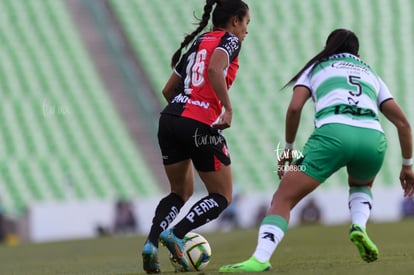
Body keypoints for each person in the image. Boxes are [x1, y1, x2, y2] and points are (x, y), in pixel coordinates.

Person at [219, 28, 414, 272]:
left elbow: (294, 108)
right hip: (373, 138)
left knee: (283, 197)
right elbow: (403, 123)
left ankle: (260, 258)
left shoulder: (315, 67)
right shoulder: (370, 72)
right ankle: (359, 226)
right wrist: (407, 165)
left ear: (328, 46)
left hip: (333, 134)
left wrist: (289, 149)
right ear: (357, 52)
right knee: (361, 185)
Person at [141, 0, 250, 273]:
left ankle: (151, 244)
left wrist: (183, 112)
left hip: (170, 119)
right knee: (222, 195)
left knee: (180, 192)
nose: (247, 31)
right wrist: (227, 107)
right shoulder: (229, 40)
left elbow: (168, 90)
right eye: (247, 23)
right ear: (235, 20)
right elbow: (215, 69)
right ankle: (176, 233)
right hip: (199, 124)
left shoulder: (199, 42)